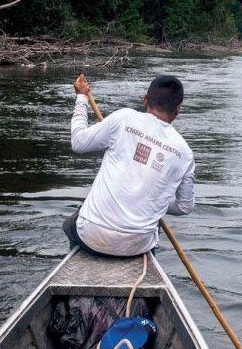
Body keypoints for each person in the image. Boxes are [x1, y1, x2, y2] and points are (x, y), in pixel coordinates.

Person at [63, 72, 195, 257]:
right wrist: (158, 199)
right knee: (151, 226)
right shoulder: (185, 153)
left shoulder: (123, 118)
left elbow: (78, 142)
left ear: (144, 100)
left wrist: (81, 98)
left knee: (71, 223)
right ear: (179, 108)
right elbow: (184, 207)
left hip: (91, 237)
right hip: (138, 246)